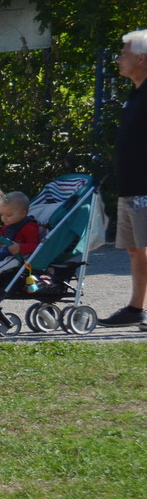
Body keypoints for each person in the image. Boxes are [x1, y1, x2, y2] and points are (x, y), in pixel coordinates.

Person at [99, 31, 147, 328]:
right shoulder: (135, 94)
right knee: (136, 249)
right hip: (130, 187)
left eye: (124, 54)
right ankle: (135, 308)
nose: (118, 59)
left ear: (142, 58)